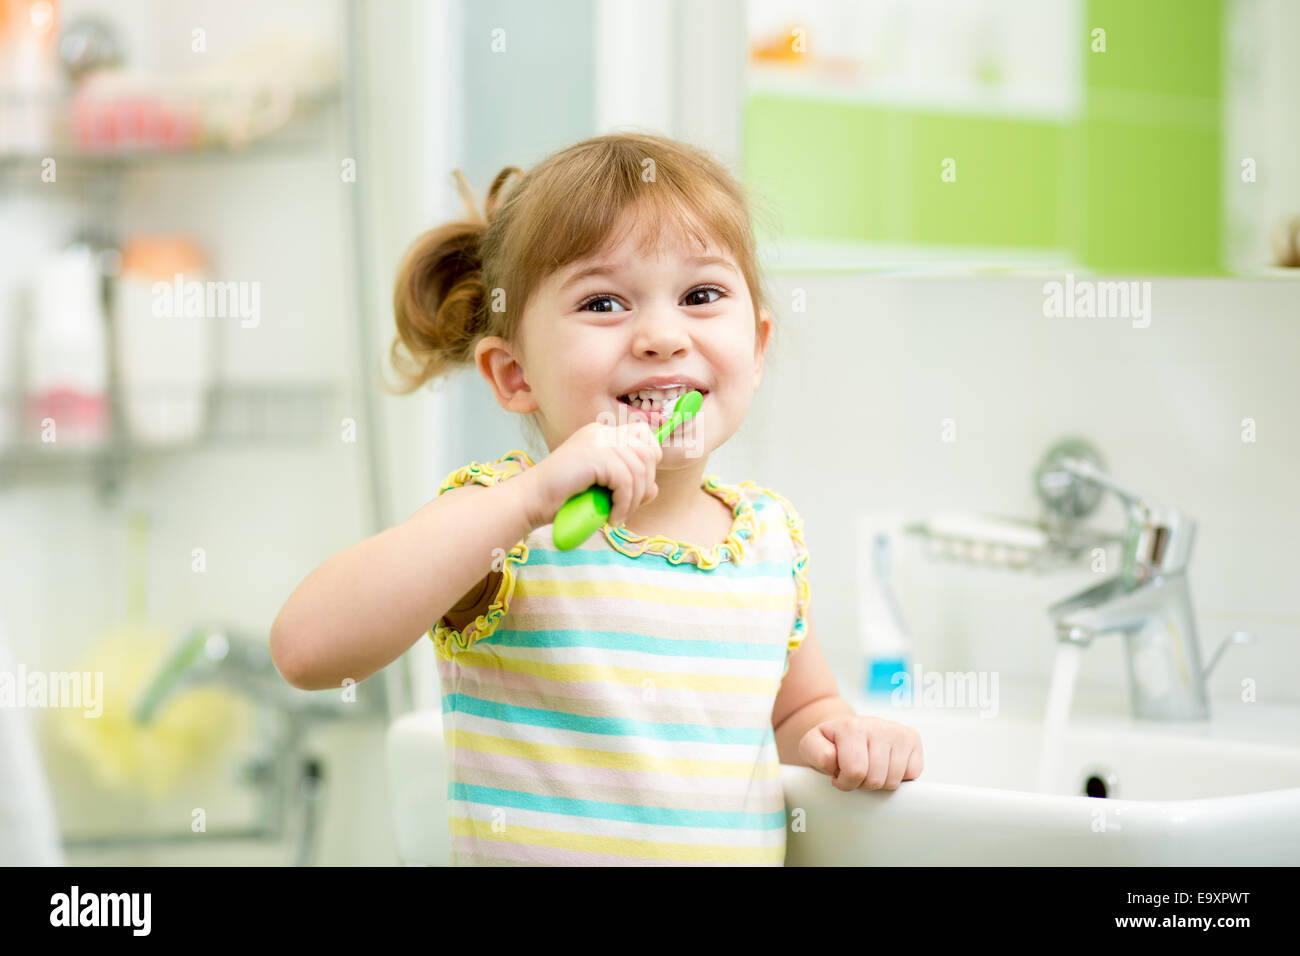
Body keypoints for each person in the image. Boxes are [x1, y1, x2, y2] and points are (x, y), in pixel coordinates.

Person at [272, 132, 923, 865]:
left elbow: (800, 712)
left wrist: (845, 736)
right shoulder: (506, 525)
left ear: (758, 345)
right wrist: (524, 503)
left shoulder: (768, 540)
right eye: (604, 302)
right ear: (515, 375)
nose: (662, 336)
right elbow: (306, 650)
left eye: (701, 295)